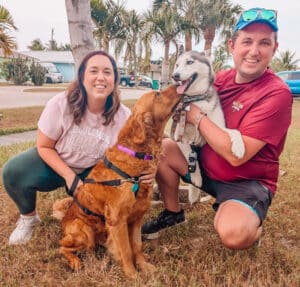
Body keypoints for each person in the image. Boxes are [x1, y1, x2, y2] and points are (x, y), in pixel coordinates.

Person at [142, 7, 293, 249]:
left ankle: (247, 221)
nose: (254, 51)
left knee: (233, 235)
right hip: (205, 170)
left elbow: (236, 155)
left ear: (274, 49)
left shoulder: (276, 93)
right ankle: (172, 212)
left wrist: (197, 117)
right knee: (163, 148)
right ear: (232, 46)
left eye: (264, 43)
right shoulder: (218, 79)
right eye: (247, 42)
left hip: (246, 182)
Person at [3, 50, 153, 245]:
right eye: (94, 71)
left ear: (115, 79)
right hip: (56, 164)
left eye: (107, 72)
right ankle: (29, 219)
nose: (101, 77)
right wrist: (69, 177)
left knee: (124, 187)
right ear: (82, 76)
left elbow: (139, 151)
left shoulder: (124, 116)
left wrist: (148, 170)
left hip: (95, 171)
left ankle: (106, 222)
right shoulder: (60, 104)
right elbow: (44, 146)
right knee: (14, 171)